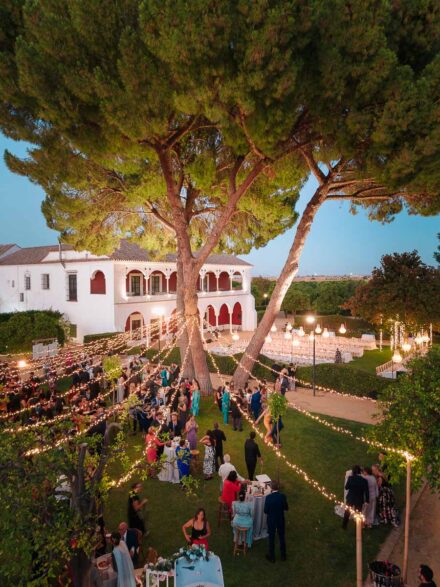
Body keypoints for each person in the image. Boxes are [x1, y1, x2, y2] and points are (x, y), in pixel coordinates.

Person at [264, 481, 288, 562]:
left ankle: (272, 557)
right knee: (281, 536)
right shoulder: (283, 496)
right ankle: (283, 556)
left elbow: (265, 511)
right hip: (280, 519)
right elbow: (286, 508)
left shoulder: (268, 498)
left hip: (271, 520)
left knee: (271, 537)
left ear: (271, 488)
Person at [342, 465, 369, 529]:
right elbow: (366, 491)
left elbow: (346, 487)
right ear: (360, 472)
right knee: (358, 514)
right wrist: (367, 500)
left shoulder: (350, 478)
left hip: (350, 498)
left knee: (347, 512)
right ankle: (358, 528)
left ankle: (344, 526)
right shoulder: (364, 480)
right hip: (359, 499)